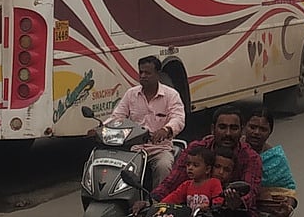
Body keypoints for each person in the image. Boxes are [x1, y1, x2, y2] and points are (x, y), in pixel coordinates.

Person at [154, 105, 262, 213]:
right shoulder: (196, 149)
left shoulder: (251, 158)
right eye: (222, 127)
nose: (228, 133)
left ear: (241, 130)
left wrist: (238, 202)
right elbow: (172, 181)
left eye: (233, 128)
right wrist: (152, 202)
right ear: (212, 129)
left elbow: (250, 193)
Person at [108, 56, 185, 189]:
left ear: (158, 75)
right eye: (141, 72)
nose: (143, 76)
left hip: (160, 149)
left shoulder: (171, 95)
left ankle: (158, 202)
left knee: (164, 166)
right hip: (134, 149)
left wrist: (166, 130)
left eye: (147, 73)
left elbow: (178, 118)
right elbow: (117, 116)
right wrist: (102, 127)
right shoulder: (131, 94)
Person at [244, 108, 297, 217]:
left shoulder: (275, 157)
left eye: (263, 129)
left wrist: (288, 207)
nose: (256, 133)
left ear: (270, 132)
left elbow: (289, 191)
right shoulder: (233, 149)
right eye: (252, 127)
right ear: (244, 127)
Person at [158, 146, 224, 212]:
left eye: (195, 165)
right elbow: (173, 198)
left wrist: (209, 208)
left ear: (207, 169)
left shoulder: (214, 183)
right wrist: (160, 205)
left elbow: (218, 202)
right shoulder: (187, 185)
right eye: (188, 164)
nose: (190, 168)